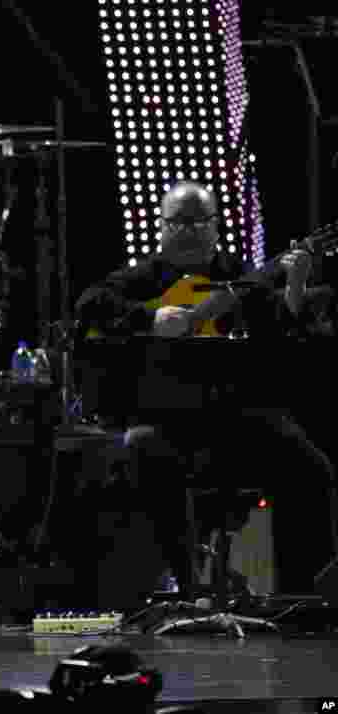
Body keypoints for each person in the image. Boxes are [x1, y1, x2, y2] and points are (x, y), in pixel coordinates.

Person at [75, 180, 337, 601]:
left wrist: (293, 287)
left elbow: (284, 335)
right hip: (165, 420)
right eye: (178, 221)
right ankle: (182, 581)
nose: (189, 229)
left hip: (240, 420)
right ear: (160, 226)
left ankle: (302, 594)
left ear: (216, 226)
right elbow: (88, 307)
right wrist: (151, 318)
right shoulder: (141, 278)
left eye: (200, 220)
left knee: (311, 465)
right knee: (142, 449)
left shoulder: (240, 278)